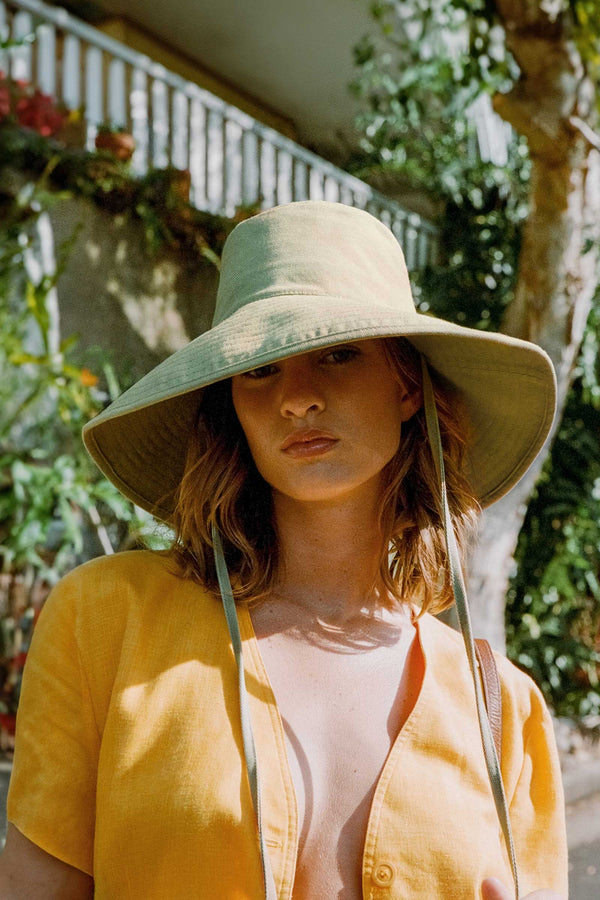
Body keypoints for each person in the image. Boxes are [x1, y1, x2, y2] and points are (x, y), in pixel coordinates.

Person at [0, 201, 567, 899]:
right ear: (229, 403)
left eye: (337, 353)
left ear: (405, 385)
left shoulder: (502, 710)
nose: (296, 399)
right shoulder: (106, 621)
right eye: (260, 368)